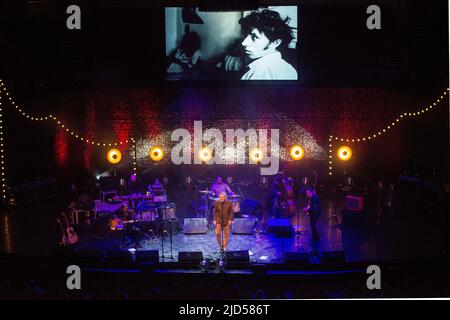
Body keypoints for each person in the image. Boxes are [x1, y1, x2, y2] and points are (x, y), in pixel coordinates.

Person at [223, 9, 297, 80]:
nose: (244, 43)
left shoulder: (259, 74)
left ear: (275, 42)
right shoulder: (288, 69)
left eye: (255, 37)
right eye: (245, 35)